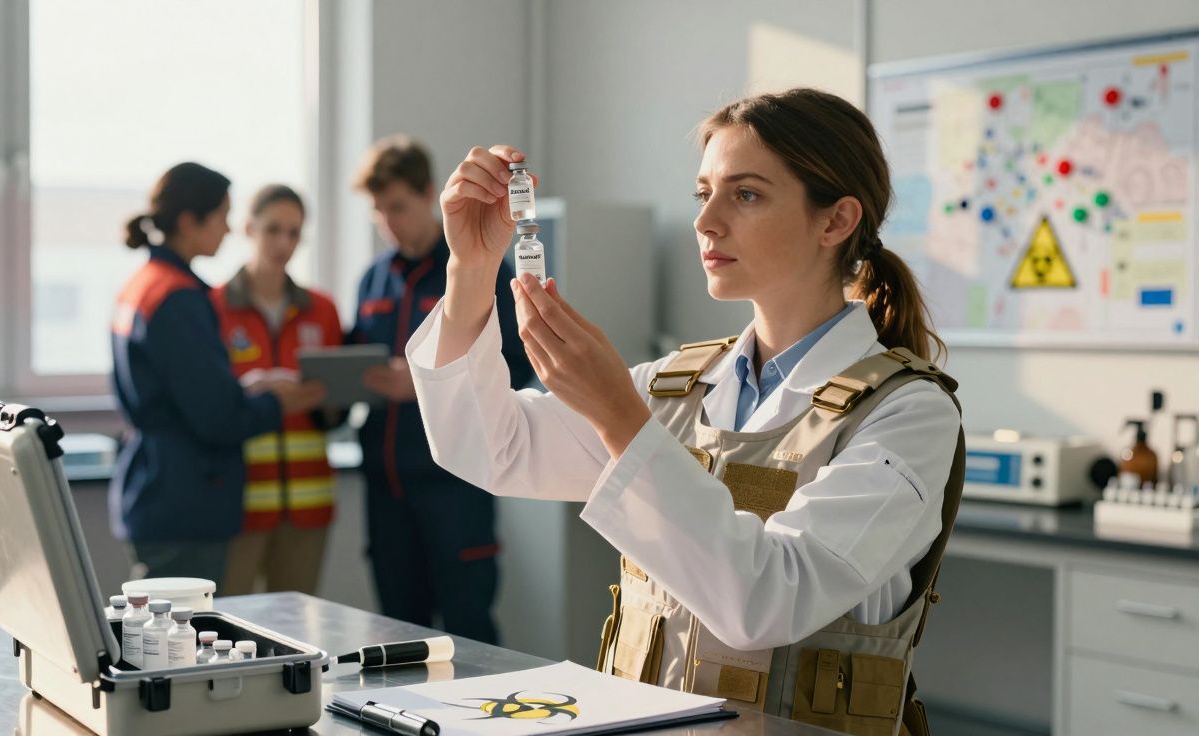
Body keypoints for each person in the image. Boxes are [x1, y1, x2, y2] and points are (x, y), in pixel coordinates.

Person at [405, 89, 965, 736]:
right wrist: (469, 269)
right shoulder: (677, 388)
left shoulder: (907, 414)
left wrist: (619, 417)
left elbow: (768, 601)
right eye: (704, 194)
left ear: (836, 221)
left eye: (746, 195)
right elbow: (486, 446)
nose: (706, 221)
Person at [349, 135, 533, 644]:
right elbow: (355, 362)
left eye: (398, 207)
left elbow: (518, 365)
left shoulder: (478, 268)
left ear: (428, 192)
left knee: (467, 633)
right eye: (378, 211)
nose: (388, 222)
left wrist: (429, 384)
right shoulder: (372, 280)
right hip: (387, 490)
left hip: (456, 485)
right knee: (398, 635)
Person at [111, 163, 325, 587]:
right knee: (185, 642)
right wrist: (276, 401)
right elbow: (216, 419)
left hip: (161, 483)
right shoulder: (179, 298)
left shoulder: (143, 285)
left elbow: (176, 392)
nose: (227, 231)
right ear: (191, 221)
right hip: (186, 495)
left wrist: (241, 389)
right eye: (223, 218)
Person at [211, 184, 344, 595]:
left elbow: (338, 407)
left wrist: (326, 398)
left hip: (308, 503)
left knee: (298, 633)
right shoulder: (213, 306)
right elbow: (207, 402)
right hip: (239, 503)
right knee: (228, 627)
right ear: (248, 229)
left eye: (294, 232)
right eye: (273, 230)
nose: (284, 242)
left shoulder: (321, 309)